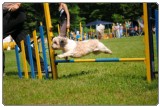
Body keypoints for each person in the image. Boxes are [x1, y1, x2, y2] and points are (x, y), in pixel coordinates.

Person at [3, 3, 45, 75]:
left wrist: (17, 4)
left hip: (12, 13)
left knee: (24, 44)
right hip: (14, 15)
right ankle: (42, 67)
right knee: (24, 43)